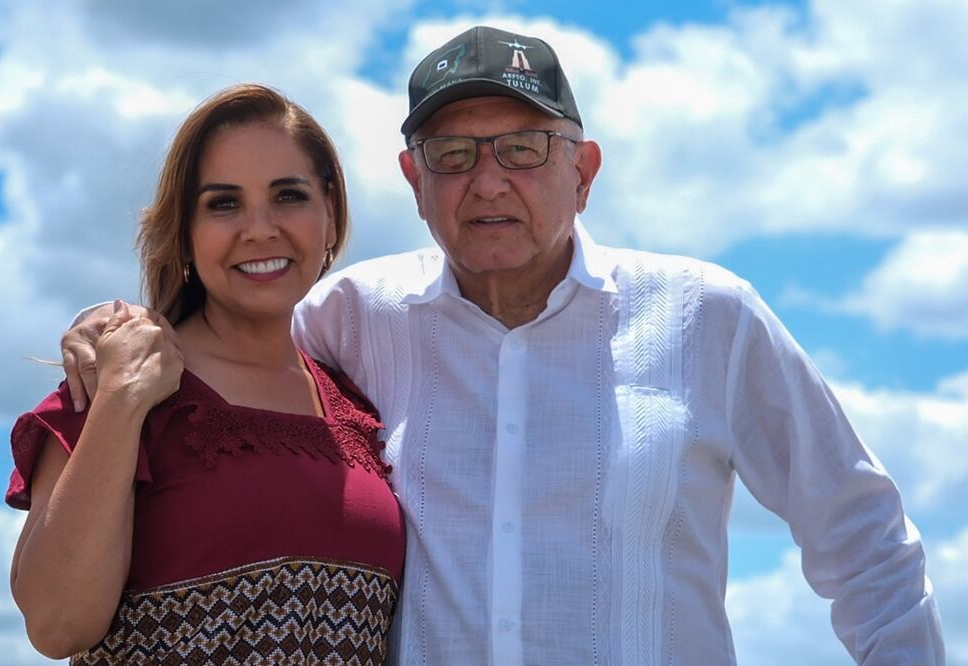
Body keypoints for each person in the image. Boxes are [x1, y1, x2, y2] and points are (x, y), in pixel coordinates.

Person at [61, 26, 945, 665]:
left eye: (523, 149)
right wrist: (114, 332)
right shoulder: (349, 319)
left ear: (583, 170)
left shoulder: (705, 317)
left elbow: (864, 537)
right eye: (451, 154)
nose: (486, 183)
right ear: (412, 181)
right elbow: (223, 341)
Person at [6, 84, 404, 664]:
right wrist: (122, 400)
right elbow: (57, 624)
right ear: (185, 234)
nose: (259, 228)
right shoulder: (113, 382)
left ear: (331, 215)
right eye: (223, 203)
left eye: (288, 196)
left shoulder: (360, 407)